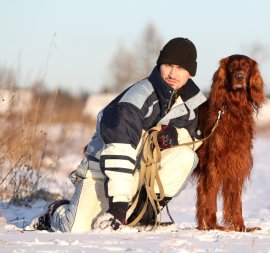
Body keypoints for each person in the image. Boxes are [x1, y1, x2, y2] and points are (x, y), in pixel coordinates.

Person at [30, 37, 207, 232]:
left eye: (181, 68)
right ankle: (55, 212)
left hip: (139, 174)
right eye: (168, 65)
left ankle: (143, 215)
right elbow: (119, 153)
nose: (173, 73)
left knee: (186, 156)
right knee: (75, 228)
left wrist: (176, 135)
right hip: (102, 173)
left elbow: (191, 143)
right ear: (159, 65)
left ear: (191, 73)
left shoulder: (189, 105)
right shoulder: (134, 102)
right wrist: (118, 208)